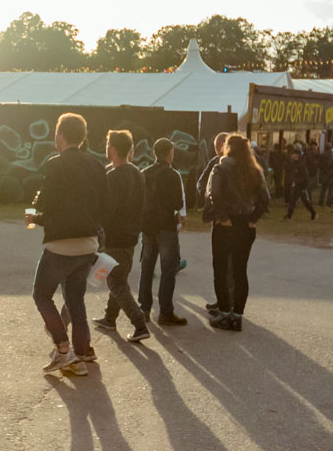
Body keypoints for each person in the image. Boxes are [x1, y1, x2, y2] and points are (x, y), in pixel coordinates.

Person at [30, 112, 106, 374]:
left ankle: (63, 350)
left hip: (60, 245)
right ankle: (82, 356)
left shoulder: (55, 164)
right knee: (76, 301)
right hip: (88, 244)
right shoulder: (97, 165)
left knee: (41, 295)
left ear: (60, 135)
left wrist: (36, 214)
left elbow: (45, 204)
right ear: (83, 137)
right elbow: (103, 205)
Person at [92, 129, 151, 342]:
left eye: (108, 145)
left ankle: (139, 324)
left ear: (113, 149)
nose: (106, 148)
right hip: (130, 237)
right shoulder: (137, 173)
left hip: (114, 238)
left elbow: (107, 209)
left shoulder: (114, 177)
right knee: (119, 279)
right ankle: (110, 318)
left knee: (116, 283)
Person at [205, 134, 270, 331]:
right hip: (246, 226)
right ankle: (237, 316)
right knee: (241, 271)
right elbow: (265, 198)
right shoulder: (254, 171)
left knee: (221, 269)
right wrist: (253, 219)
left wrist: (223, 217)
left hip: (226, 225)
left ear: (228, 148)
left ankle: (224, 313)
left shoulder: (221, 168)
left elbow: (213, 193)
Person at [137, 137, 187, 326]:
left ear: (154, 153)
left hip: (148, 226)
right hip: (166, 226)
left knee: (147, 268)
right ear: (169, 153)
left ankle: (144, 309)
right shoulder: (172, 175)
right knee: (168, 270)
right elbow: (177, 203)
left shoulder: (144, 173)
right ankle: (165, 311)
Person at [196, 131, 233, 316]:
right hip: (220, 218)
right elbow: (201, 183)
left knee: (230, 264)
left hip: (231, 219)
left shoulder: (238, 165)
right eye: (217, 148)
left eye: (221, 147)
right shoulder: (214, 163)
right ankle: (223, 301)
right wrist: (207, 196)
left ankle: (229, 304)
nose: (219, 151)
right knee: (220, 264)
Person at [282, 141, 317, 220]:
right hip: (297, 185)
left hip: (301, 185)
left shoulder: (301, 164)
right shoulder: (294, 163)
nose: (291, 155)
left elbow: (304, 176)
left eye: (293, 154)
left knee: (305, 201)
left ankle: (313, 212)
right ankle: (289, 215)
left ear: (296, 155)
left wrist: (299, 182)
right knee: (293, 200)